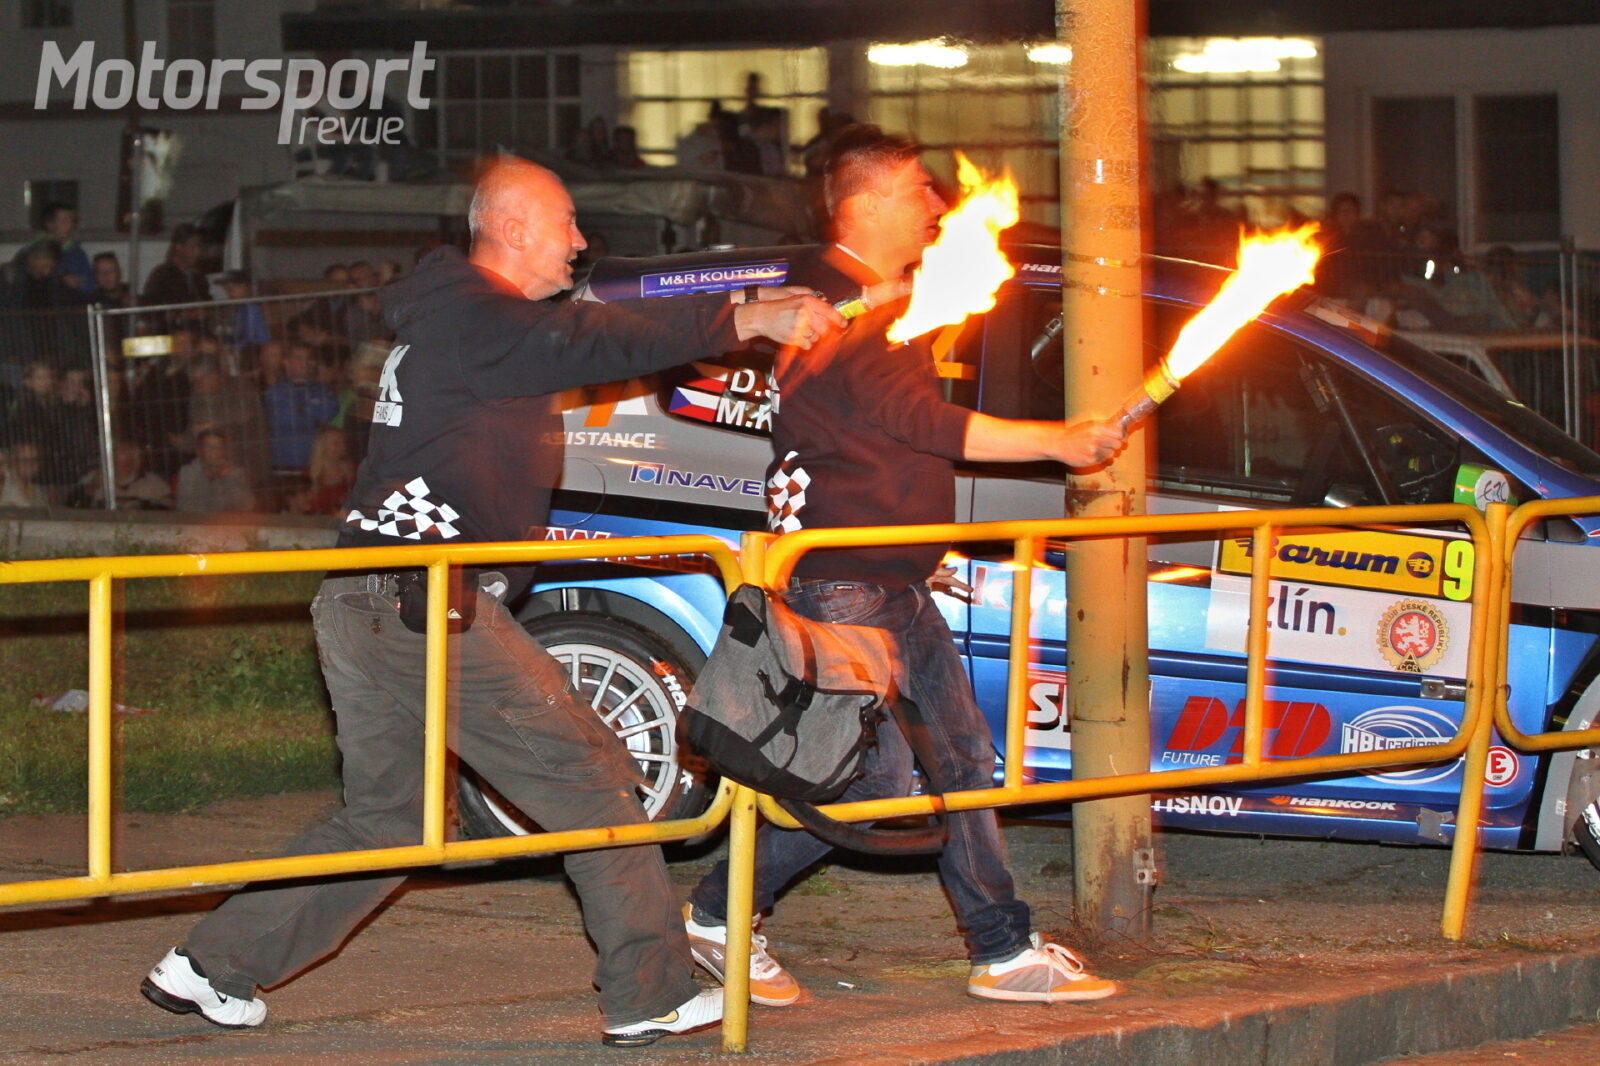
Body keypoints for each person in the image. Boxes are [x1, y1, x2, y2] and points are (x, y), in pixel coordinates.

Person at [138, 156, 839, 1046]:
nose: (580, 241)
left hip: (370, 603)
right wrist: (742, 316)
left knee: (388, 822)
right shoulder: (480, 318)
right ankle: (650, 992)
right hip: (429, 607)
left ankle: (209, 966)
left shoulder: (459, 321)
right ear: (510, 229)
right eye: (566, 222)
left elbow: (565, 356)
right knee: (591, 778)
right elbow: (596, 340)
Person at [680, 125, 1125, 1010]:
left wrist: (923, 544)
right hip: (847, 581)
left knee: (952, 762)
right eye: (921, 187)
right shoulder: (848, 307)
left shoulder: (863, 299)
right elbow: (920, 423)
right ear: (869, 201)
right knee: (874, 776)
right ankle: (722, 912)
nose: (939, 204)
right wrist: (1060, 441)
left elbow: (866, 440)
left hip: (883, 575)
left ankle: (998, 949)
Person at [175, 429, 255, 512]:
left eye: (219, 447)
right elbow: (183, 507)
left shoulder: (236, 472)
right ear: (199, 450)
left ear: (224, 451)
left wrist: (229, 478)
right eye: (209, 447)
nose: (214, 451)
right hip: (197, 519)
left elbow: (247, 505)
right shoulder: (188, 472)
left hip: (226, 519)